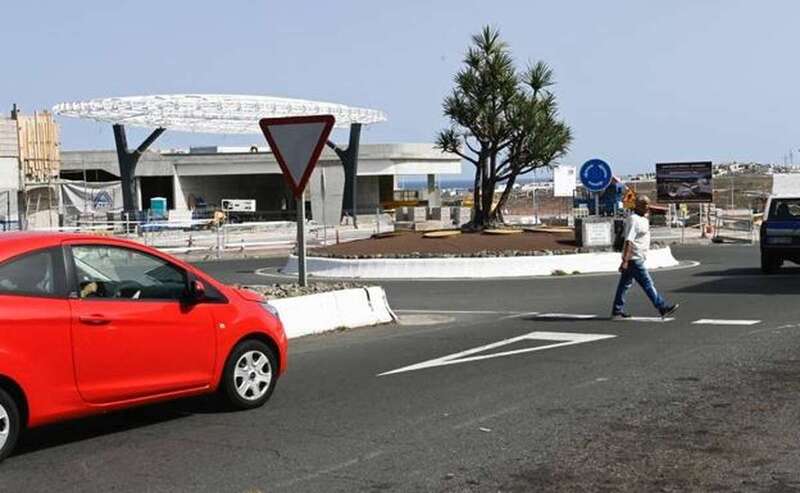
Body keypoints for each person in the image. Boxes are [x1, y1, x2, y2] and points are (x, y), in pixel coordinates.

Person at [612, 195, 679, 319]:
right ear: (637, 205)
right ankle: (662, 307)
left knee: (624, 285)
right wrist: (625, 260)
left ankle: (617, 310)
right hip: (634, 258)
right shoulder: (633, 219)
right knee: (648, 283)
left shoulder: (644, 219)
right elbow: (629, 241)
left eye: (648, 204)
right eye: (644, 204)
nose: (647, 207)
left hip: (639, 257)